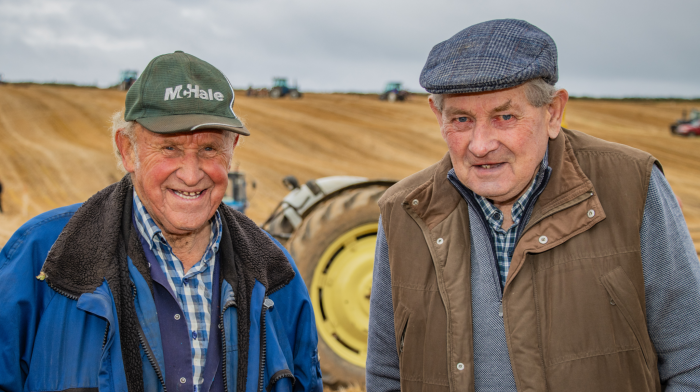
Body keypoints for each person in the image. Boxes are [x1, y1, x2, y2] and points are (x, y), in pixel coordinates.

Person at [366, 19, 700, 391]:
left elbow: (692, 361)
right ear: (437, 116)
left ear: (554, 112)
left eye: (504, 117)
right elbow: (386, 375)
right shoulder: (404, 211)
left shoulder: (632, 186)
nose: (480, 145)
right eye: (461, 120)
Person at [0, 51, 322, 392]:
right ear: (127, 150)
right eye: (169, 148)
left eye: (210, 149)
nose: (191, 174)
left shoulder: (275, 274)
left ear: (233, 149)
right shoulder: (46, 259)